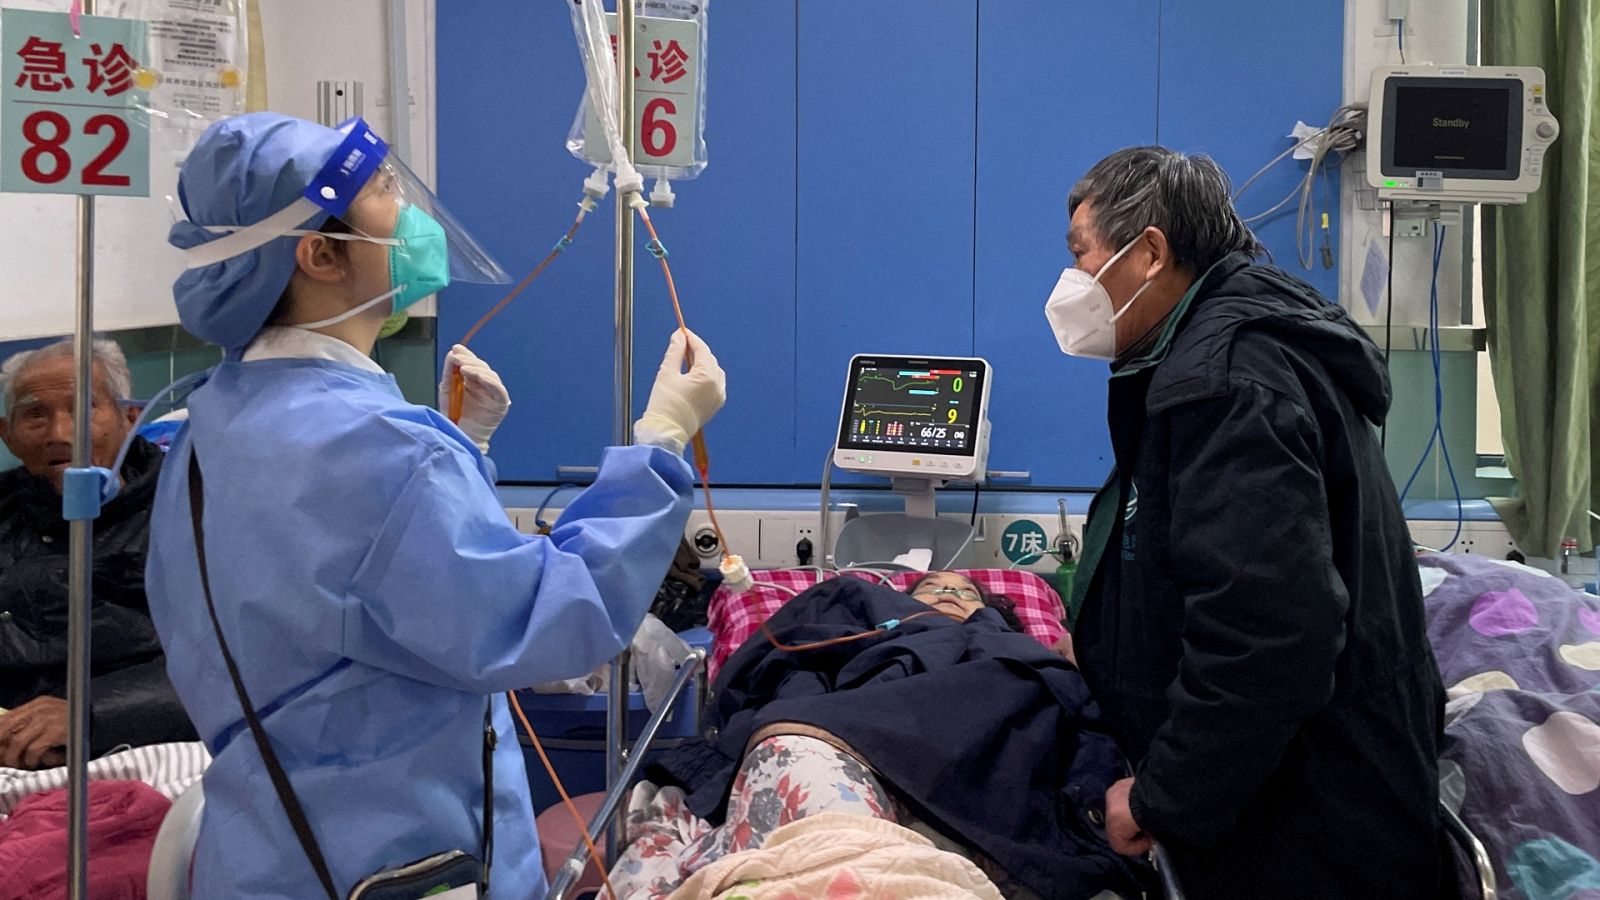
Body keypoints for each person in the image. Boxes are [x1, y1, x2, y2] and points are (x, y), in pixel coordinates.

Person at [143, 112, 726, 899]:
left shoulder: (209, 425)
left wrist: (461, 451)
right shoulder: (382, 450)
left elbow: (354, 599)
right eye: (385, 192)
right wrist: (661, 442)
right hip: (391, 857)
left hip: (266, 849)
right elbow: (553, 618)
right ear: (319, 254)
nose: (411, 213)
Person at [1045, 146, 1449, 897]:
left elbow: (1270, 637)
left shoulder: (1228, 384)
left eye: (1082, 253)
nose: (1072, 281)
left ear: (1151, 252)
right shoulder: (1234, 348)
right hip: (1304, 793)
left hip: (1307, 825)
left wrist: (1162, 795)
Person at [0, 339, 196, 769]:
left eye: (83, 408)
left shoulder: (193, 506)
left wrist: (91, 712)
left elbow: (244, 659)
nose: (60, 433)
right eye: (35, 414)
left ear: (129, 418)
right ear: (7, 435)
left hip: (149, 742)